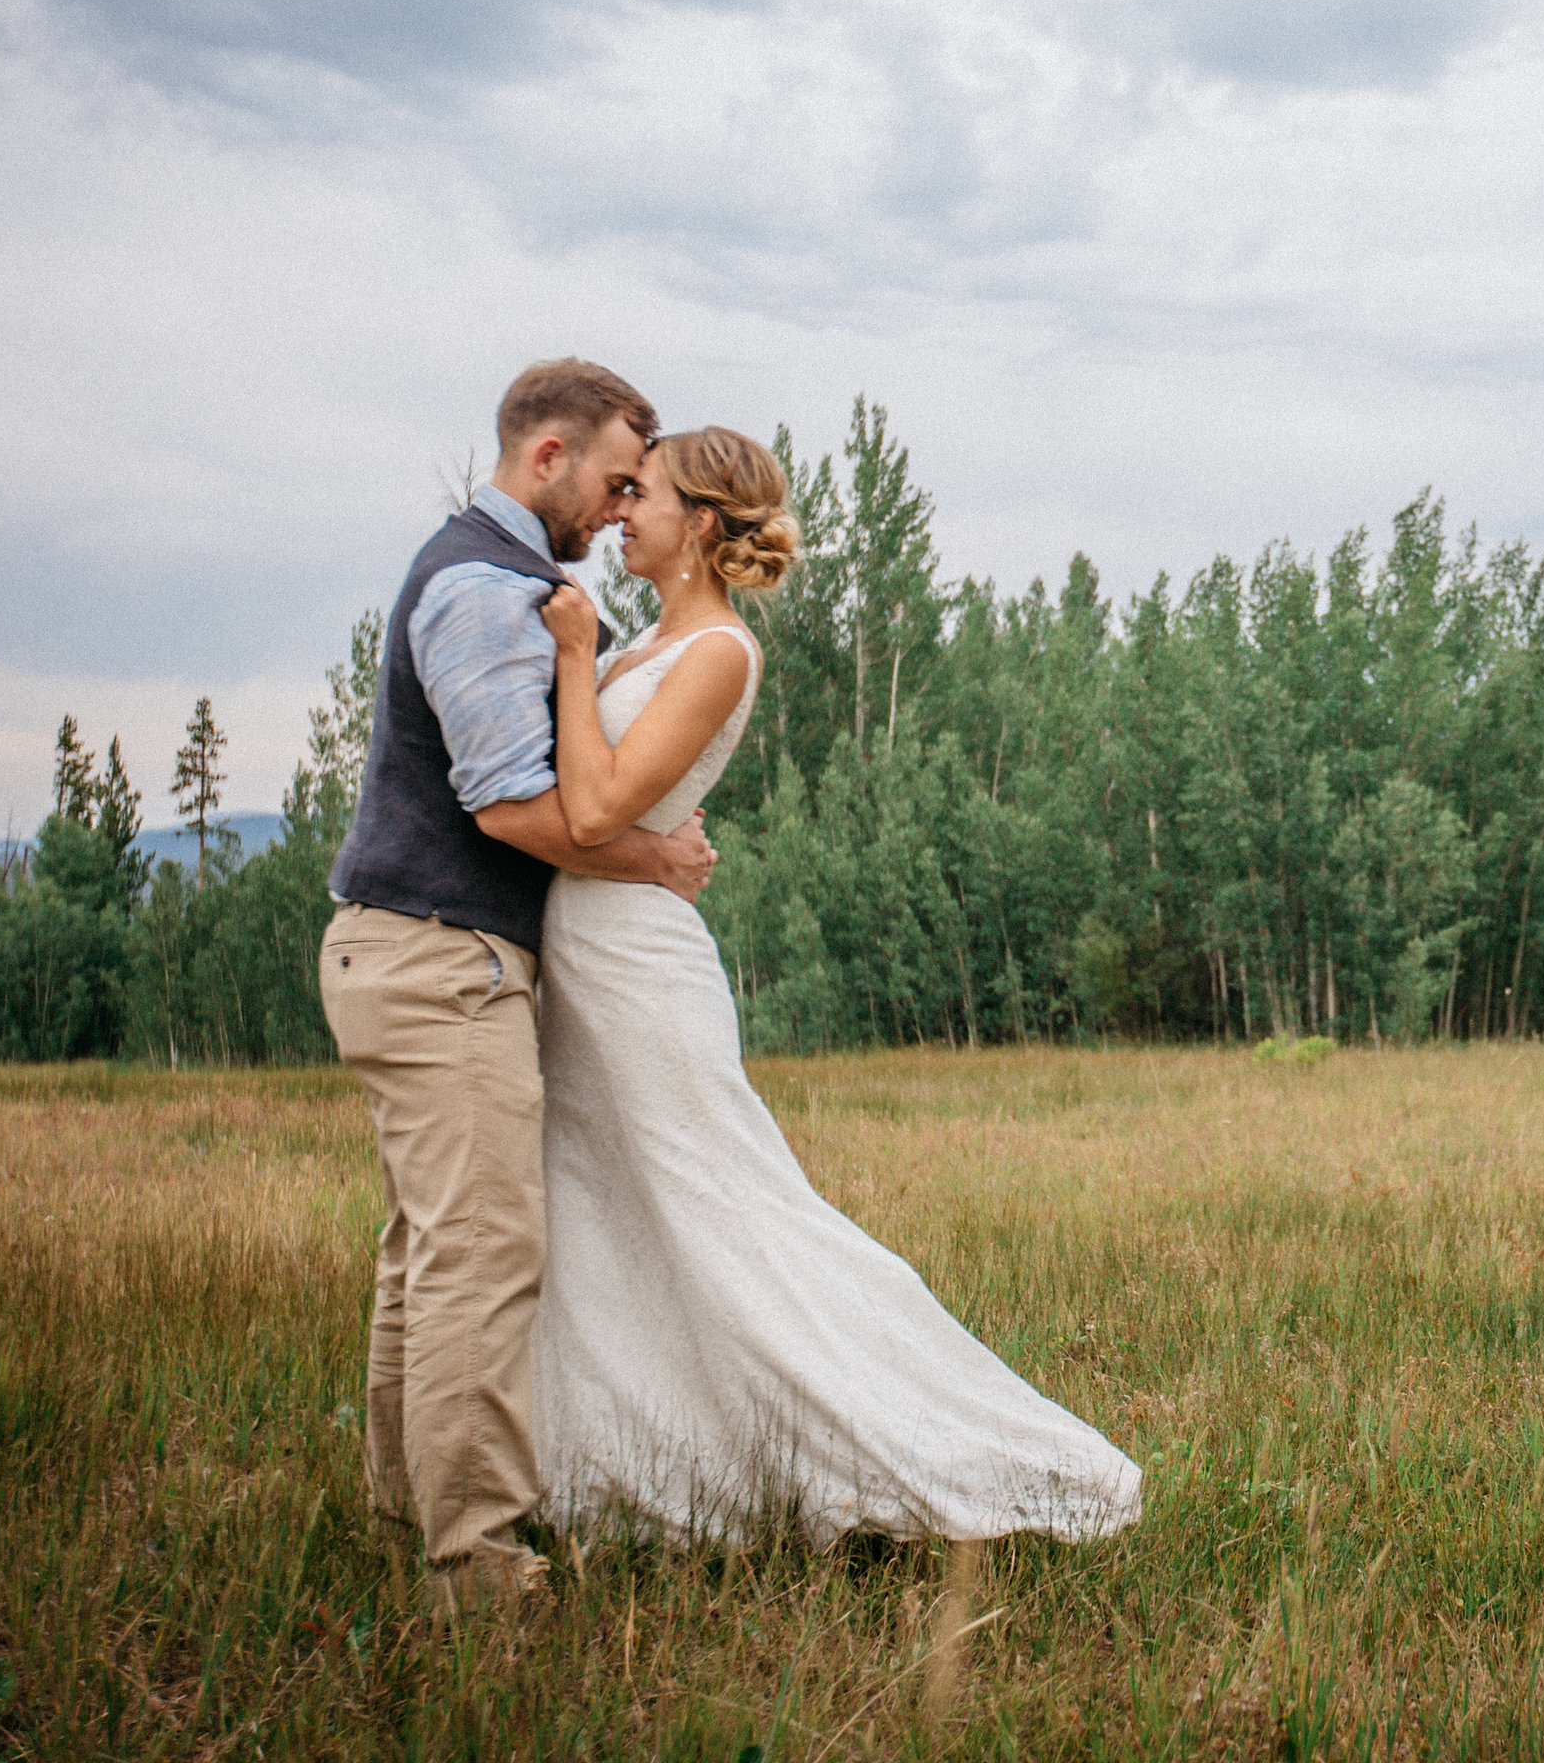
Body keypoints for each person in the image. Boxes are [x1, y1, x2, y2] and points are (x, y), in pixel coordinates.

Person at [526, 423, 1142, 1549]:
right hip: (579, 961)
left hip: (638, 971)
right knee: (603, 1214)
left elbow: (599, 811)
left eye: (642, 495)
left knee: (726, 1209)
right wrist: (584, 661)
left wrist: (570, 660)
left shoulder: (717, 653)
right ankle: (638, 1475)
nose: (620, 512)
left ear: (702, 525)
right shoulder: (634, 647)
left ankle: (918, 1452)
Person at [319, 359, 718, 1615]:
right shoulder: (490, 590)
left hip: (411, 948)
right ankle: (478, 1573)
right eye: (608, 482)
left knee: (426, 1257)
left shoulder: (488, 576)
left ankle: (411, 1517)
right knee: (480, 1260)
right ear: (546, 457)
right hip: (441, 960)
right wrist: (654, 856)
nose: (614, 510)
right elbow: (509, 806)